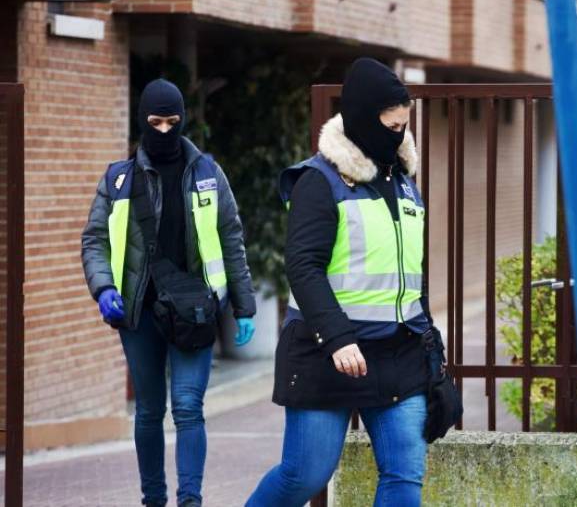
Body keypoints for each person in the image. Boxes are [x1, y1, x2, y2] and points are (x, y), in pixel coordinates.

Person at [246, 58, 434, 507]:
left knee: (405, 475)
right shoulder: (319, 181)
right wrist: (337, 337)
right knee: (304, 476)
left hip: (398, 352)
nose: (399, 137)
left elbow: (410, 275)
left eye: (404, 127)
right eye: (391, 126)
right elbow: (303, 266)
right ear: (364, 121)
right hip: (328, 351)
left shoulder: (404, 183)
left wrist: (431, 345)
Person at [82, 78, 257, 507]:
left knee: (187, 407)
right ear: (143, 121)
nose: (163, 131)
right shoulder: (118, 181)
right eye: (155, 122)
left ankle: (190, 499)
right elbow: (94, 240)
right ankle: (154, 498)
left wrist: (243, 304)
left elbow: (231, 238)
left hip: (195, 311)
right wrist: (103, 288)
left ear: (184, 121)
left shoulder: (208, 175)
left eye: (172, 122)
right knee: (148, 411)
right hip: (139, 312)